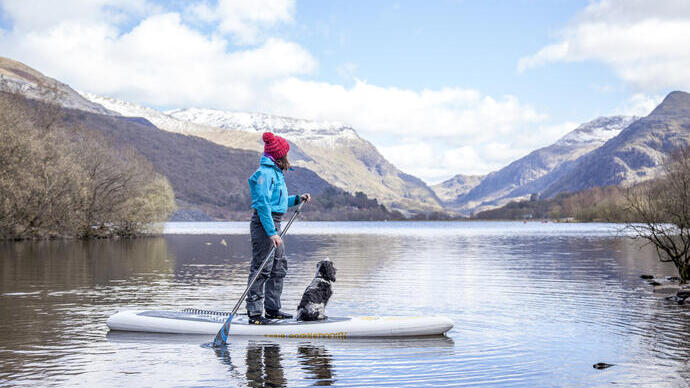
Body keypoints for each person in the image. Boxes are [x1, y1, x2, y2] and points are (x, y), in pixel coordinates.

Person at [246, 132, 311, 324]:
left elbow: (279, 203)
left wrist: (298, 199)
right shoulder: (264, 174)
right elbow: (263, 205)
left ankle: (273, 309)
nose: (288, 158)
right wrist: (271, 232)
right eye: (286, 154)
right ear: (279, 156)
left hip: (275, 223)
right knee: (261, 268)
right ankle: (255, 314)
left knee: (278, 267)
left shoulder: (276, 173)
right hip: (264, 224)